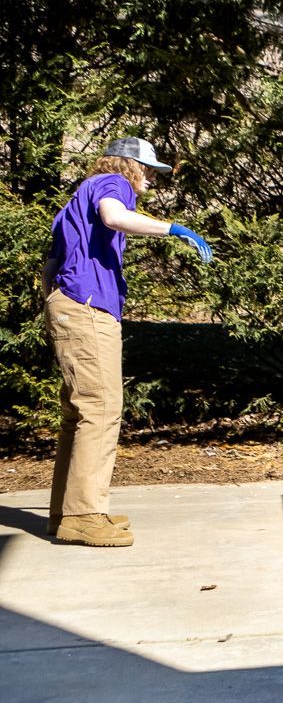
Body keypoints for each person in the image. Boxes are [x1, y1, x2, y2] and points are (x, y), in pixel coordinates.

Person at [42, 137, 213, 547]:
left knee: (79, 413)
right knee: (101, 408)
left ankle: (67, 512)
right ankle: (83, 515)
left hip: (69, 303)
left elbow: (51, 264)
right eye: (149, 170)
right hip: (87, 306)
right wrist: (172, 229)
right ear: (128, 165)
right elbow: (115, 217)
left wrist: (55, 304)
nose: (152, 179)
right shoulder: (112, 181)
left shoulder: (77, 199)